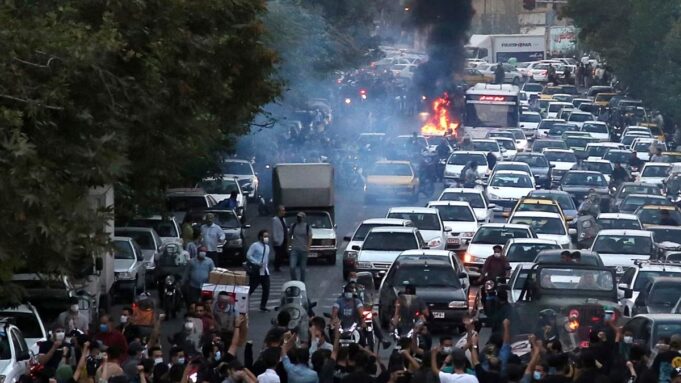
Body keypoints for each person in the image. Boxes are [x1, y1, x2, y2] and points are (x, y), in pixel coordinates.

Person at [247, 229, 272, 312]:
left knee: (266, 288)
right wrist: (257, 263)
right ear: (260, 237)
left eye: (267, 236)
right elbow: (249, 255)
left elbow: (266, 259)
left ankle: (263, 305)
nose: (266, 238)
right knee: (251, 288)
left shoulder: (267, 247)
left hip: (265, 271)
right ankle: (242, 303)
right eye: (265, 236)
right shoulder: (255, 245)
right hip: (256, 270)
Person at [289, 212, 312, 282]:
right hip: (294, 249)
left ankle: (302, 283)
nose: (298, 218)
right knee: (292, 267)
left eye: (300, 217)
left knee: (302, 269)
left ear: (303, 218)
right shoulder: (293, 226)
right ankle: (294, 281)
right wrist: (288, 245)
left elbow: (310, 237)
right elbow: (289, 236)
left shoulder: (307, 227)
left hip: (304, 250)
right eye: (298, 217)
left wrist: (308, 247)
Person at [271, 205, 288, 272]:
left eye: (284, 210)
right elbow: (274, 230)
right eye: (283, 210)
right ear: (279, 211)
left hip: (284, 239)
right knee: (278, 254)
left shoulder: (283, 219)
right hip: (278, 240)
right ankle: (276, 266)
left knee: (283, 253)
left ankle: (278, 265)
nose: (284, 212)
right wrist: (275, 240)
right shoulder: (275, 219)